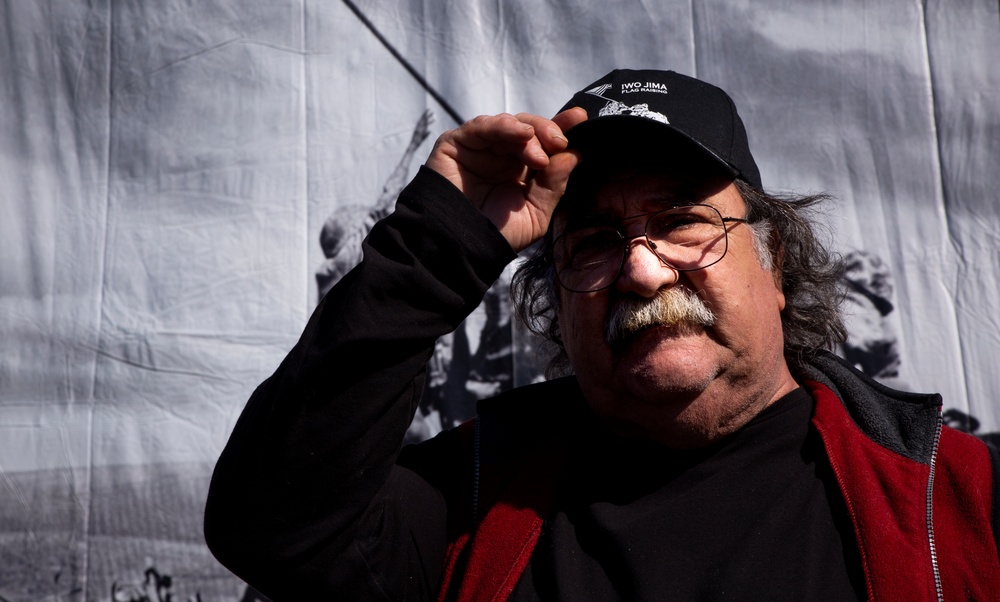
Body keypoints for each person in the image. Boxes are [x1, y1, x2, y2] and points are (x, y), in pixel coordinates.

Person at [204, 69, 1000, 600]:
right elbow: (274, 528)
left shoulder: (963, 503)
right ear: (555, 300)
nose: (643, 273)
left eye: (683, 223)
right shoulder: (469, 503)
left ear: (777, 261)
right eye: (591, 243)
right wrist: (438, 246)